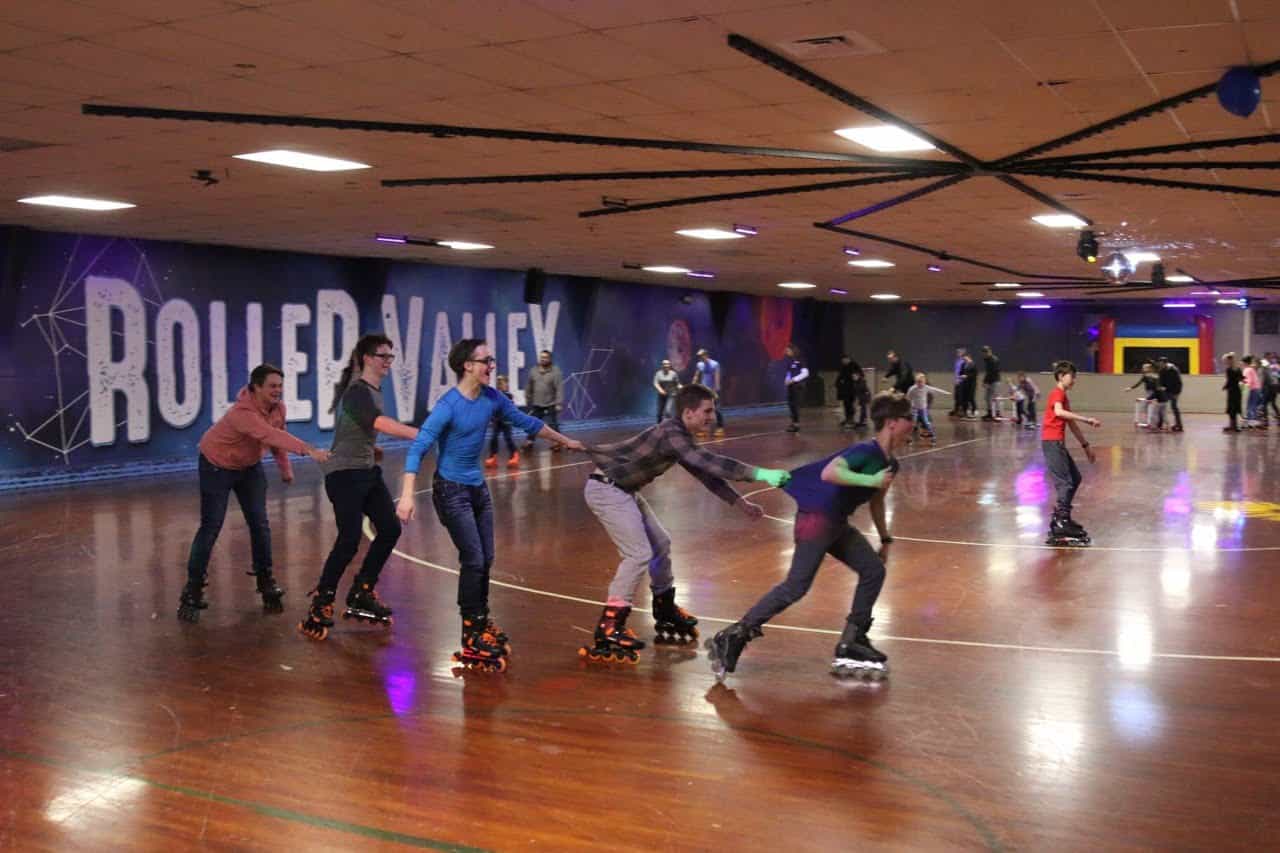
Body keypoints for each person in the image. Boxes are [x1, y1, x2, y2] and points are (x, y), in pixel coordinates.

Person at [397, 339, 584, 671]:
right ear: (467, 365)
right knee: (473, 558)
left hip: (477, 489)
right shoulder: (448, 406)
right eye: (486, 360)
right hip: (450, 490)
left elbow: (529, 423)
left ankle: (481, 620)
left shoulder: (492, 398)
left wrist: (565, 440)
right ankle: (470, 631)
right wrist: (408, 495)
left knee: (487, 558)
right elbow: (417, 449)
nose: (492, 365)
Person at [706, 392, 913, 682]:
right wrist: (869, 479)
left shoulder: (891, 463)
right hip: (816, 520)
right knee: (796, 586)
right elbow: (831, 472)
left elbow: (877, 500)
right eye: (909, 418)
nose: (913, 424)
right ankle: (733, 635)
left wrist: (885, 538)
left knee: (873, 570)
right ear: (892, 422)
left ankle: (852, 640)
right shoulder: (866, 452)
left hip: (835, 522)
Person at [578, 383, 790, 663]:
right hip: (606, 489)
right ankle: (609, 627)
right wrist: (760, 473)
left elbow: (706, 474)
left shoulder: (680, 438)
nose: (711, 417)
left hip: (624, 490)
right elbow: (708, 461)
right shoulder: (671, 432)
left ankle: (664, 609)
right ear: (688, 412)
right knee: (638, 554)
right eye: (707, 411)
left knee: (661, 544)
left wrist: (740, 503)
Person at [178, 364, 330, 622]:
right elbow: (268, 433)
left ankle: (265, 579)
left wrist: (285, 469)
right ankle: (192, 589)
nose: (277, 391)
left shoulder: (278, 409)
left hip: (248, 468)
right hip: (216, 465)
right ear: (256, 387)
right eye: (272, 386)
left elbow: (276, 438)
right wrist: (308, 450)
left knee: (260, 524)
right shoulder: (242, 413)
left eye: (280, 386)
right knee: (211, 526)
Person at [299, 334, 422, 641]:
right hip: (343, 475)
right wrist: (421, 434)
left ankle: (361, 590)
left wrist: (371, 448)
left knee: (390, 528)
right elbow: (378, 423)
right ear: (367, 358)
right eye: (383, 356)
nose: (388, 362)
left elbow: (363, 429)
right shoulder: (356, 392)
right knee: (350, 538)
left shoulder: (371, 391)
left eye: (391, 357)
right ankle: (321, 602)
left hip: (366, 471)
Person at [1042, 361, 1102, 546]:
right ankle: (1060, 522)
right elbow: (1059, 412)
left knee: (1074, 478)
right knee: (1065, 483)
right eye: (1072, 376)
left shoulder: (1063, 396)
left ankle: (1062, 518)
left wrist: (1086, 445)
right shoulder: (1057, 393)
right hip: (1051, 442)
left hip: (1056, 443)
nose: (1074, 380)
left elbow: (1070, 423)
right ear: (1061, 376)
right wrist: (1087, 419)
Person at [523, 349, 564, 451]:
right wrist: (528, 399)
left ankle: (557, 443)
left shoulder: (555, 371)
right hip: (537, 404)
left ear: (550, 359)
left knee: (552, 424)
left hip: (551, 403)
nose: (543, 359)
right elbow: (529, 386)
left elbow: (559, 388)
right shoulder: (533, 370)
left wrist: (558, 403)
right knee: (533, 424)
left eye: (545, 357)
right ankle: (529, 442)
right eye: (542, 357)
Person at [484, 375, 520, 468]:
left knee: (508, 438)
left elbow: (509, 408)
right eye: (498, 383)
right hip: (497, 421)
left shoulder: (509, 395)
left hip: (506, 421)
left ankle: (514, 456)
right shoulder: (494, 395)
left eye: (502, 383)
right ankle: (493, 457)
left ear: (507, 384)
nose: (500, 385)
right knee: (493, 438)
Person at [905, 372, 949, 444]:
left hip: (923, 409)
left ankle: (933, 437)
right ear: (916, 382)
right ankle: (909, 438)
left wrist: (946, 393)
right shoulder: (912, 389)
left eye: (921, 382)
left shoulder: (926, 388)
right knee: (913, 424)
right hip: (915, 409)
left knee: (926, 423)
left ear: (924, 381)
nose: (920, 384)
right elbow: (908, 398)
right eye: (918, 382)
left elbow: (936, 390)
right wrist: (908, 407)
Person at [1126, 361, 1167, 430]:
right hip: (1149, 393)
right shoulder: (1145, 376)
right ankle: (1152, 423)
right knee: (1148, 408)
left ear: (1149, 368)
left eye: (1144, 368)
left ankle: (1155, 424)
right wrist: (1131, 388)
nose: (1143, 369)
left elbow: (1157, 385)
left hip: (1154, 393)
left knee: (1153, 409)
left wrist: (1157, 392)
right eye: (1143, 368)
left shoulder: (1155, 375)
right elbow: (1139, 383)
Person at [693, 348, 725, 436]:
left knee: (716, 409)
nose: (700, 358)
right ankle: (703, 428)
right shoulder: (699, 364)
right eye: (698, 356)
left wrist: (715, 391)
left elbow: (717, 378)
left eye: (701, 355)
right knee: (702, 410)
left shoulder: (714, 364)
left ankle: (720, 427)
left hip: (713, 390)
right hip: (703, 390)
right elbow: (696, 375)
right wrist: (693, 385)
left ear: (706, 355)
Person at [783, 343, 808, 433]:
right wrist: (787, 379)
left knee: (795, 405)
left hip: (798, 386)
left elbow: (805, 373)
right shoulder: (789, 361)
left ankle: (796, 424)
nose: (786, 352)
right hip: (791, 386)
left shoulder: (801, 360)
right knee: (791, 405)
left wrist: (794, 380)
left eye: (788, 350)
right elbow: (789, 372)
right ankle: (793, 422)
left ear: (793, 350)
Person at [1156, 356, 1184, 432]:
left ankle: (1179, 425)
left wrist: (1176, 393)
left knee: (1174, 407)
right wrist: (1160, 387)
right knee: (1161, 406)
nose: (1160, 365)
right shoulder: (1161, 370)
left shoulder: (1173, 370)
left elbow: (1178, 382)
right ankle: (1159, 424)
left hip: (1174, 391)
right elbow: (1160, 380)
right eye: (1159, 363)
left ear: (1165, 363)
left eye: (1161, 363)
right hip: (1166, 391)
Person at [834, 355, 859, 428]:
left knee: (850, 404)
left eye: (844, 360)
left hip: (851, 389)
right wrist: (837, 384)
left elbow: (858, 375)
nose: (843, 362)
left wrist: (855, 378)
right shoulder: (843, 367)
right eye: (842, 360)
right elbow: (840, 377)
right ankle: (847, 418)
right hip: (844, 390)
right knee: (846, 404)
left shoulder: (854, 365)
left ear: (847, 359)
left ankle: (851, 419)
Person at [653, 358, 680, 423]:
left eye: (668, 364)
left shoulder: (673, 374)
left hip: (671, 394)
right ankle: (658, 426)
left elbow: (677, 384)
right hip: (662, 395)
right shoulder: (658, 373)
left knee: (668, 411)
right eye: (665, 364)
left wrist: (682, 387)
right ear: (662, 365)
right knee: (659, 413)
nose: (666, 365)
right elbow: (655, 383)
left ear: (670, 365)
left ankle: (669, 426)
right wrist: (660, 389)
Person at [1222, 352, 1243, 432]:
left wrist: (1225, 387)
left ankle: (1232, 426)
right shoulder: (1238, 368)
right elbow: (1241, 379)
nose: (1225, 362)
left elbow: (1229, 381)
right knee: (1235, 409)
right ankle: (1234, 426)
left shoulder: (1228, 369)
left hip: (1231, 391)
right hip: (1237, 391)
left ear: (1229, 360)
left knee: (1231, 409)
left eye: (1226, 361)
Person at [980, 345, 1001, 420]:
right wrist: (985, 381)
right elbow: (988, 372)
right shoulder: (987, 359)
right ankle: (990, 413)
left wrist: (986, 382)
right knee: (987, 397)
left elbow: (993, 372)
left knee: (995, 397)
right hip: (990, 381)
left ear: (989, 351)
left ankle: (998, 413)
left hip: (995, 381)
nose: (984, 354)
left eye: (985, 352)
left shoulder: (994, 360)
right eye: (983, 353)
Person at [1242, 355, 1263, 429]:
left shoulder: (1247, 370)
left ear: (1245, 362)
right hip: (1257, 389)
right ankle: (1252, 422)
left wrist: (1244, 386)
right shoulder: (1251, 369)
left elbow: (1249, 380)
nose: (1241, 364)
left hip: (1253, 389)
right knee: (1252, 406)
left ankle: (1251, 422)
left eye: (1242, 362)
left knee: (1250, 406)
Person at [960, 353, 979, 417]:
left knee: (971, 397)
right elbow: (961, 372)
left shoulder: (973, 364)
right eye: (963, 359)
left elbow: (975, 374)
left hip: (972, 383)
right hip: (965, 383)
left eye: (965, 358)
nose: (964, 360)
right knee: (964, 398)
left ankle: (974, 410)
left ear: (968, 357)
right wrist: (961, 376)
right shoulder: (963, 364)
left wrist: (967, 376)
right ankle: (965, 411)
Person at [950, 348, 967, 416]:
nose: (957, 353)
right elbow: (956, 372)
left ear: (962, 353)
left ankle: (961, 411)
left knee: (961, 397)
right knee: (956, 396)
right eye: (957, 352)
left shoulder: (963, 361)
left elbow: (964, 372)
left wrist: (961, 380)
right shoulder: (957, 361)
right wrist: (955, 380)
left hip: (961, 382)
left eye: (959, 352)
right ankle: (956, 409)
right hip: (957, 381)